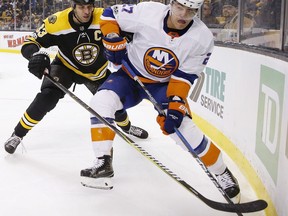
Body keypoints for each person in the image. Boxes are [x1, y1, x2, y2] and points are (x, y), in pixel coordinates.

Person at [80, 0, 241, 202]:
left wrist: (175, 103)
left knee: (183, 127)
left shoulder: (202, 38)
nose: (183, 15)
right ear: (171, 3)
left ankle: (221, 171)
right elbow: (110, 14)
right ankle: (103, 162)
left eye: (190, 11)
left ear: (197, 11)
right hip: (130, 76)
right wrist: (112, 36)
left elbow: (185, 76)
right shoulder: (148, 12)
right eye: (180, 7)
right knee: (101, 102)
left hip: (164, 85)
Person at [4, 0, 148, 155]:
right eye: (81, 7)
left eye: (89, 7)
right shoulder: (57, 22)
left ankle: (127, 127)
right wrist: (35, 55)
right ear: (73, 7)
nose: (86, 11)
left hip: (97, 71)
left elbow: (134, 34)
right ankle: (17, 134)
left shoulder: (105, 17)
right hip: (66, 67)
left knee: (114, 104)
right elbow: (30, 43)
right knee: (46, 98)